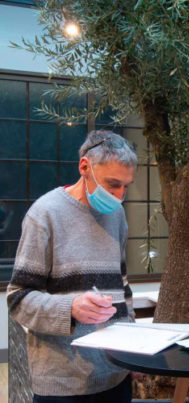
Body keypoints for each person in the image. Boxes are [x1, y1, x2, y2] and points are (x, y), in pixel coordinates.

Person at [7, 130, 138, 403]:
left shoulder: (117, 216)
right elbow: (18, 300)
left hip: (116, 374)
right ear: (84, 167)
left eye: (126, 186)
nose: (119, 196)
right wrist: (71, 308)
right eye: (113, 184)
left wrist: (133, 349)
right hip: (62, 384)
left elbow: (122, 287)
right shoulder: (45, 215)